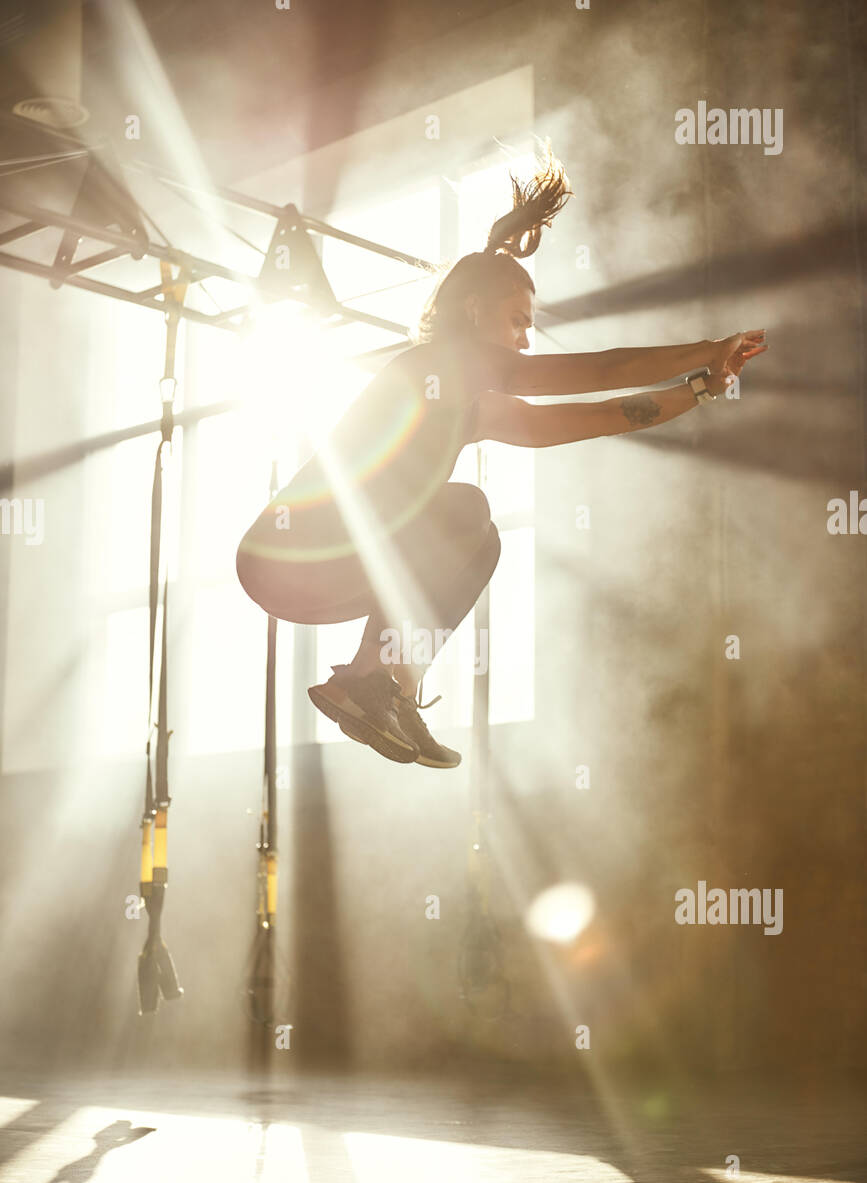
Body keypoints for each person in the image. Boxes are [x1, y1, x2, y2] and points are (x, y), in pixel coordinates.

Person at [236, 144, 767, 769]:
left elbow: (600, 415)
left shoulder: (472, 404)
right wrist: (706, 348)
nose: (523, 338)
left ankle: (383, 687)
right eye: (518, 321)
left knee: (482, 541)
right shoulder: (443, 363)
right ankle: (365, 679)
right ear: (473, 311)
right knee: (463, 510)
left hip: (319, 574)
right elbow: (596, 371)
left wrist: (701, 389)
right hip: (287, 555)